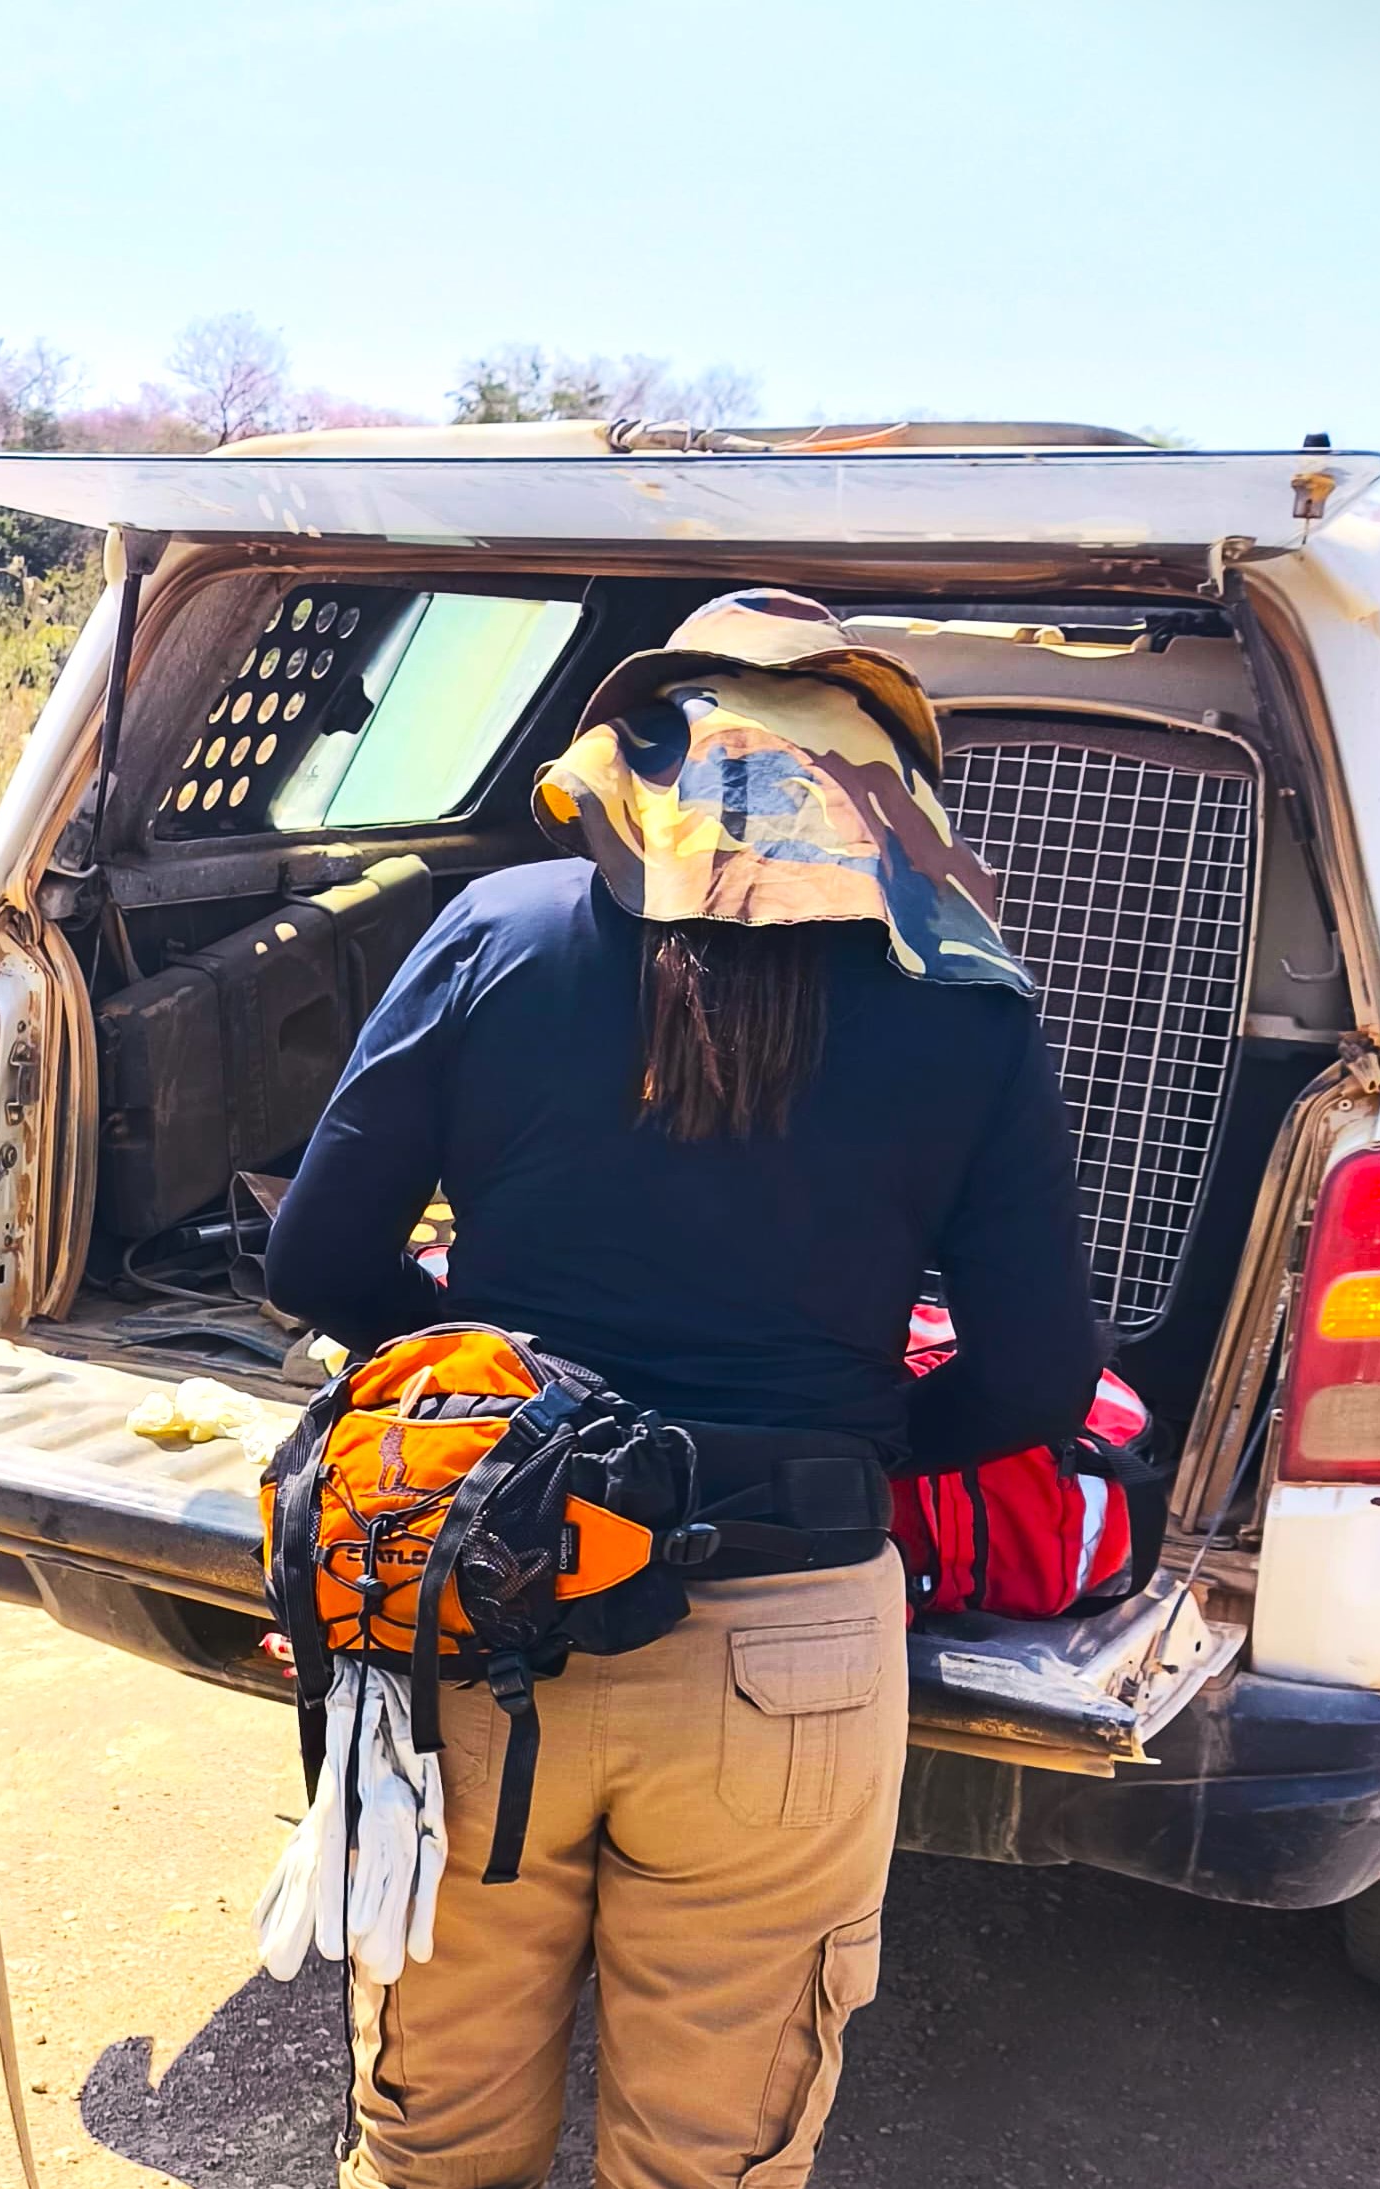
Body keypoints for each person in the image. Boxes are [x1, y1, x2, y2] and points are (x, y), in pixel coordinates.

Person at [264, 589, 1100, 2189]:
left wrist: (490, 1387)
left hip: (480, 1601)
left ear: (632, 755)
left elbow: (317, 1261)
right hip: (788, 1658)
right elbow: (1045, 1375)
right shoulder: (970, 1011)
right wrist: (861, 1449)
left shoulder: (495, 932)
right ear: (880, 794)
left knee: (432, 2144)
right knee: (712, 2164)